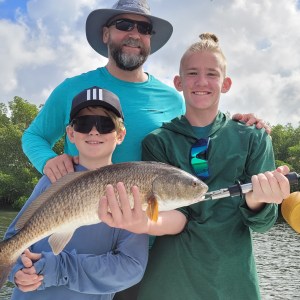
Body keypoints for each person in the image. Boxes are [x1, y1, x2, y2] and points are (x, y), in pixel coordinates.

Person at [98, 33, 291, 300]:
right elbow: (171, 215)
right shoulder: (157, 142)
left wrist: (259, 199)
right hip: (168, 281)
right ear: (178, 82)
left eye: (212, 74)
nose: (202, 82)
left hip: (233, 281)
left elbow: (262, 223)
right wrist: (143, 222)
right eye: (192, 73)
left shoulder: (254, 137)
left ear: (226, 84)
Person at [22, 0, 269, 184]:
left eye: (143, 28)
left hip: (150, 238)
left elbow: (197, 146)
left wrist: (239, 128)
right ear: (106, 34)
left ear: (150, 39)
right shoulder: (71, 89)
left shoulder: (173, 98)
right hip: (82, 225)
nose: (134, 34)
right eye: (124, 25)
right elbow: (33, 137)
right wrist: (48, 161)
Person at [4, 86, 148, 300]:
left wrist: (58, 269)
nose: (94, 131)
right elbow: (13, 241)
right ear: (71, 133)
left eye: (105, 124)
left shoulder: (132, 190)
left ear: (120, 135)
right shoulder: (51, 181)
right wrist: (17, 273)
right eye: (83, 124)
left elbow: (131, 267)